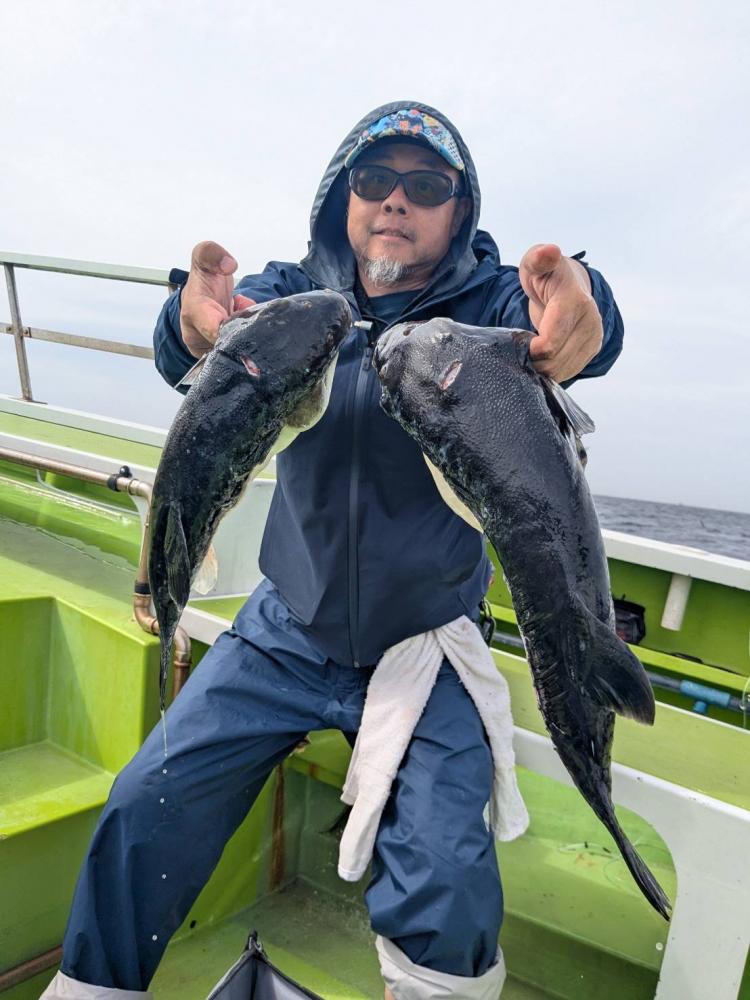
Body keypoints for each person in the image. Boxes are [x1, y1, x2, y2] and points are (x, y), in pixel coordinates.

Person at [42, 102, 623, 1000]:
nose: (396, 201)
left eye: (426, 186)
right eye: (374, 180)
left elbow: (575, 317)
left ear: (460, 211)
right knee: (143, 806)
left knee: (449, 879)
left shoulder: (491, 309)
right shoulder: (292, 294)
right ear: (342, 196)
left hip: (426, 639)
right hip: (284, 625)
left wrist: (587, 304)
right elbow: (196, 338)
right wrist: (183, 320)